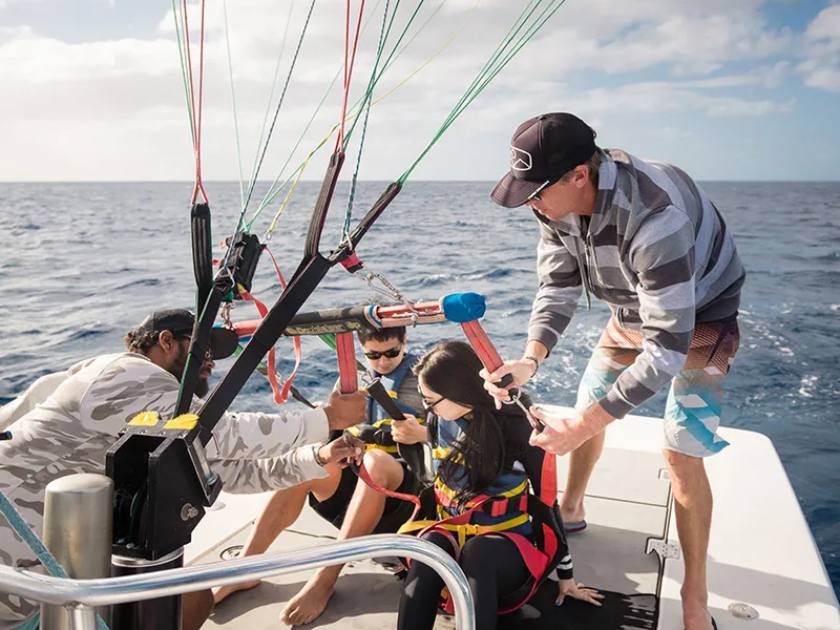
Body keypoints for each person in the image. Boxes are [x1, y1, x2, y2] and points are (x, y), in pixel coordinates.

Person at [485, 112, 745, 630]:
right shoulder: (552, 206)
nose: (529, 202)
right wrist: (529, 359)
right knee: (590, 404)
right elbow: (557, 286)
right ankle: (572, 507)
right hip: (630, 310)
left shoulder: (657, 219)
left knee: (680, 450)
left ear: (579, 174)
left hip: (701, 318)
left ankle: (695, 598)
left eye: (536, 191)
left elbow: (668, 348)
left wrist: (584, 426)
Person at [0, 308, 367, 630]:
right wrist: (325, 418)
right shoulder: (128, 372)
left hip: (56, 561)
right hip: (16, 566)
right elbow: (222, 434)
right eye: (202, 350)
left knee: (193, 599)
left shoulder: (163, 417)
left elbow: (230, 472)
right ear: (165, 341)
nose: (209, 361)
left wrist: (318, 458)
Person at [213, 325, 426, 626]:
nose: (382, 362)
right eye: (373, 355)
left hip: (409, 493)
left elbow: (459, 436)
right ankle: (246, 569)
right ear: (362, 349)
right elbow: (336, 426)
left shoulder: (425, 377)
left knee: (377, 461)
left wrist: (421, 432)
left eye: (392, 353)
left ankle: (324, 580)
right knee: (307, 460)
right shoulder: (353, 380)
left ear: (405, 343)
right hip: (361, 482)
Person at [395, 340, 602, 630]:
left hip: (505, 553)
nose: (426, 407)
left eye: (430, 400)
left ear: (459, 392)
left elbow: (546, 504)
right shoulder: (438, 419)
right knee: (429, 548)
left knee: (479, 552)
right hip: (454, 532)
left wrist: (566, 577)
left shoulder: (520, 428)